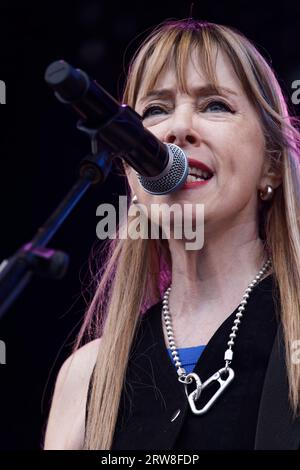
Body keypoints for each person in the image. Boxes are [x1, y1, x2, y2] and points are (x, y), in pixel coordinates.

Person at [43, 18, 300, 450]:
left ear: (271, 164)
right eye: (156, 110)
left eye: (215, 104)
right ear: (129, 165)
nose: (178, 128)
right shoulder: (88, 377)